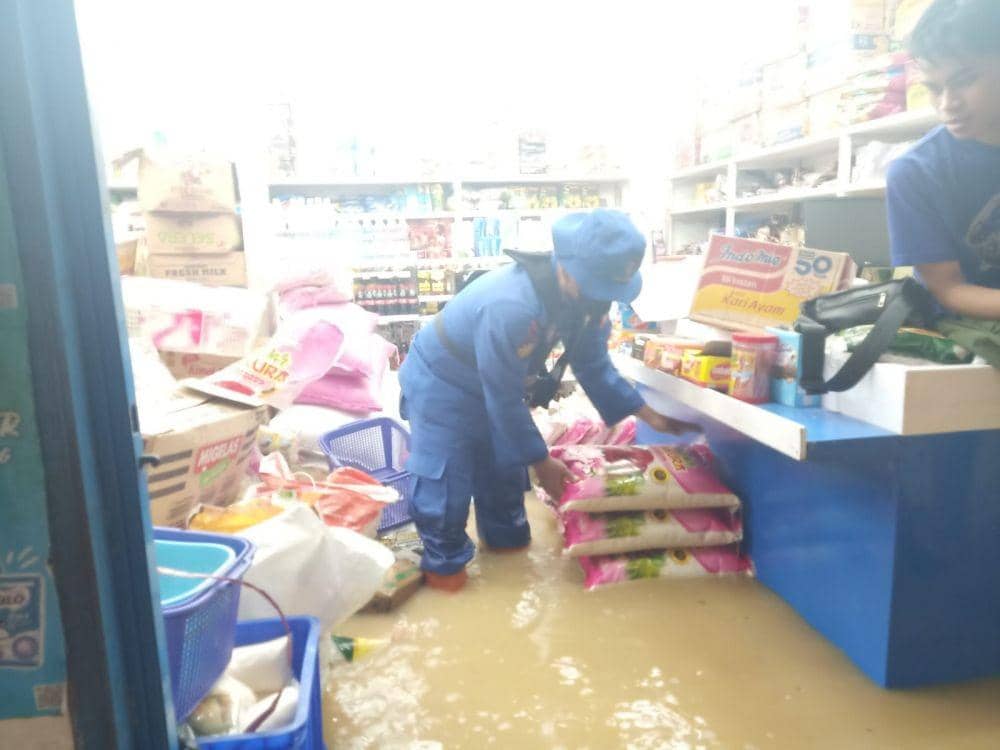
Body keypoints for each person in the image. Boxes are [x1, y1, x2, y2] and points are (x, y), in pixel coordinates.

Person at [398, 209, 698, 591]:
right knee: (446, 488)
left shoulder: (586, 301)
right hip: (442, 384)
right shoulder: (510, 306)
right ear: (567, 269)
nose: (601, 300)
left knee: (505, 479)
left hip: (497, 382)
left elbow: (592, 362)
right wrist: (542, 461)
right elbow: (504, 397)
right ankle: (446, 577)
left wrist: (647, 413)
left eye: (609, 291)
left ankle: (508, 561)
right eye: (597, 288)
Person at [886, 0, 1000, 360]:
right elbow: (948, 290)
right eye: (935, 88)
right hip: (968, 327)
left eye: (965, 81)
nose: (948, 103)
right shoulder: (915, 172)